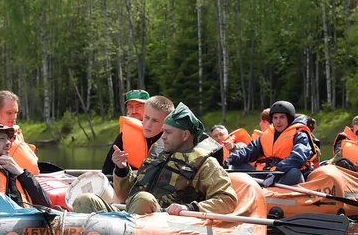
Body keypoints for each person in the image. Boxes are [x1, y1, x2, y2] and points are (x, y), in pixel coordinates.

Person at [73, 103, 238, 216]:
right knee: (84, 200)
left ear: (185, 135)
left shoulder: (207, 165)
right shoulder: (158, 156)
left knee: (143, 199)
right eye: (163, 131)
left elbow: (227, 199)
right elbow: (125, 195)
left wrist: (190, 208)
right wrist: (122, 169)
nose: (162, 137)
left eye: (168, 132)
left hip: (165, 223)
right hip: (131, 216)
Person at [224, 101, 315, 185]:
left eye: (282, 117)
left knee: (294, 173)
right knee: (237, 163)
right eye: (275, 118)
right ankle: (261, 189)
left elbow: (299, 156)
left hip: (285, 174)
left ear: (289, 118)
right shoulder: (267, 134)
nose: (278, 121)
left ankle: (268, 191)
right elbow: (250, 151)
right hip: (269, 173)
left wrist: (277, 172)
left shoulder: (300, 134)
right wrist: (229, 160)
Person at [101, 89, 151, 174]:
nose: (134, 111)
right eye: (130, 107)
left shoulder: (162, 133)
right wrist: (119, 165)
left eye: (139, 106)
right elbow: (107, 171)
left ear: (149, 108)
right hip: (131, 182)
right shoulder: (123, 136)